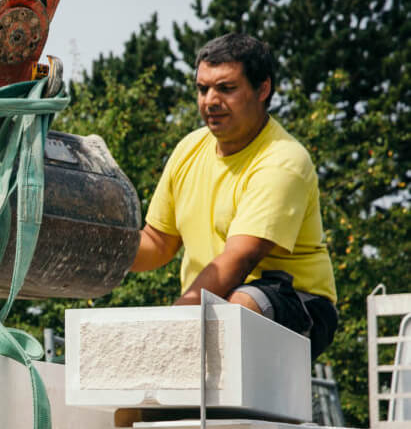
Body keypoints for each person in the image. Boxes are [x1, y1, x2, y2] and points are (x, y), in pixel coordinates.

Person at [132, 33, 337, 359]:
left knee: (239, 306)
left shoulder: (282, 160)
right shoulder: (188, 149)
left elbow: (239, 258)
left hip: (300, 302)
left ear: (263, 89)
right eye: (202, 89)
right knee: (136, 397)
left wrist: (175, 322)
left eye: (226, 88)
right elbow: (157, 243)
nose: (210, 100)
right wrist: (99, 253)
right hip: (217, 299)